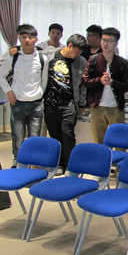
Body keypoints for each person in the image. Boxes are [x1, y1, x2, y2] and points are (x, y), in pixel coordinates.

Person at [0, 24, 49, 166]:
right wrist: (9, 92)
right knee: (18, 136)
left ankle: (32, 163)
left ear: (36, 39)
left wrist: (40, 95)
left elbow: (44, 81)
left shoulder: (43, 58)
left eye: (30, 37)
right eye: (24, 37)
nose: (27, 40)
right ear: (19, 38)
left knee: (34, 138)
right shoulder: (13, 58)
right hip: (17, 102)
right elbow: (0, 75)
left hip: (36, 104)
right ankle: (19, 162)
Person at [43, 34, 87, 172]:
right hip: (50, 103)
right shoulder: (50, 57)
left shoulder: (81, 61)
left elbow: (83, 85)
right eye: (76, 52)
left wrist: (81, 103)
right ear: (69, 46)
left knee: (68, 134)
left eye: (80, 53)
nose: (77, 55)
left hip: (69, 103)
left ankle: (70, 165)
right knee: (55, 136)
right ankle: (59, 164)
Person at [82, 27, 128, 143]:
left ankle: (117, 157)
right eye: (103, 40)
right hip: (97, 107)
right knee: (99, 142)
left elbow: (126, 86)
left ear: (116, 43)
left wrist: (112, 82)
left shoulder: (122, 63)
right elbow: (85, 81)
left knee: (120, 143)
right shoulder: (93, 60)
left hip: (116, 108)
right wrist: (99, 80)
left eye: (110, 41)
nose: (105, 44)